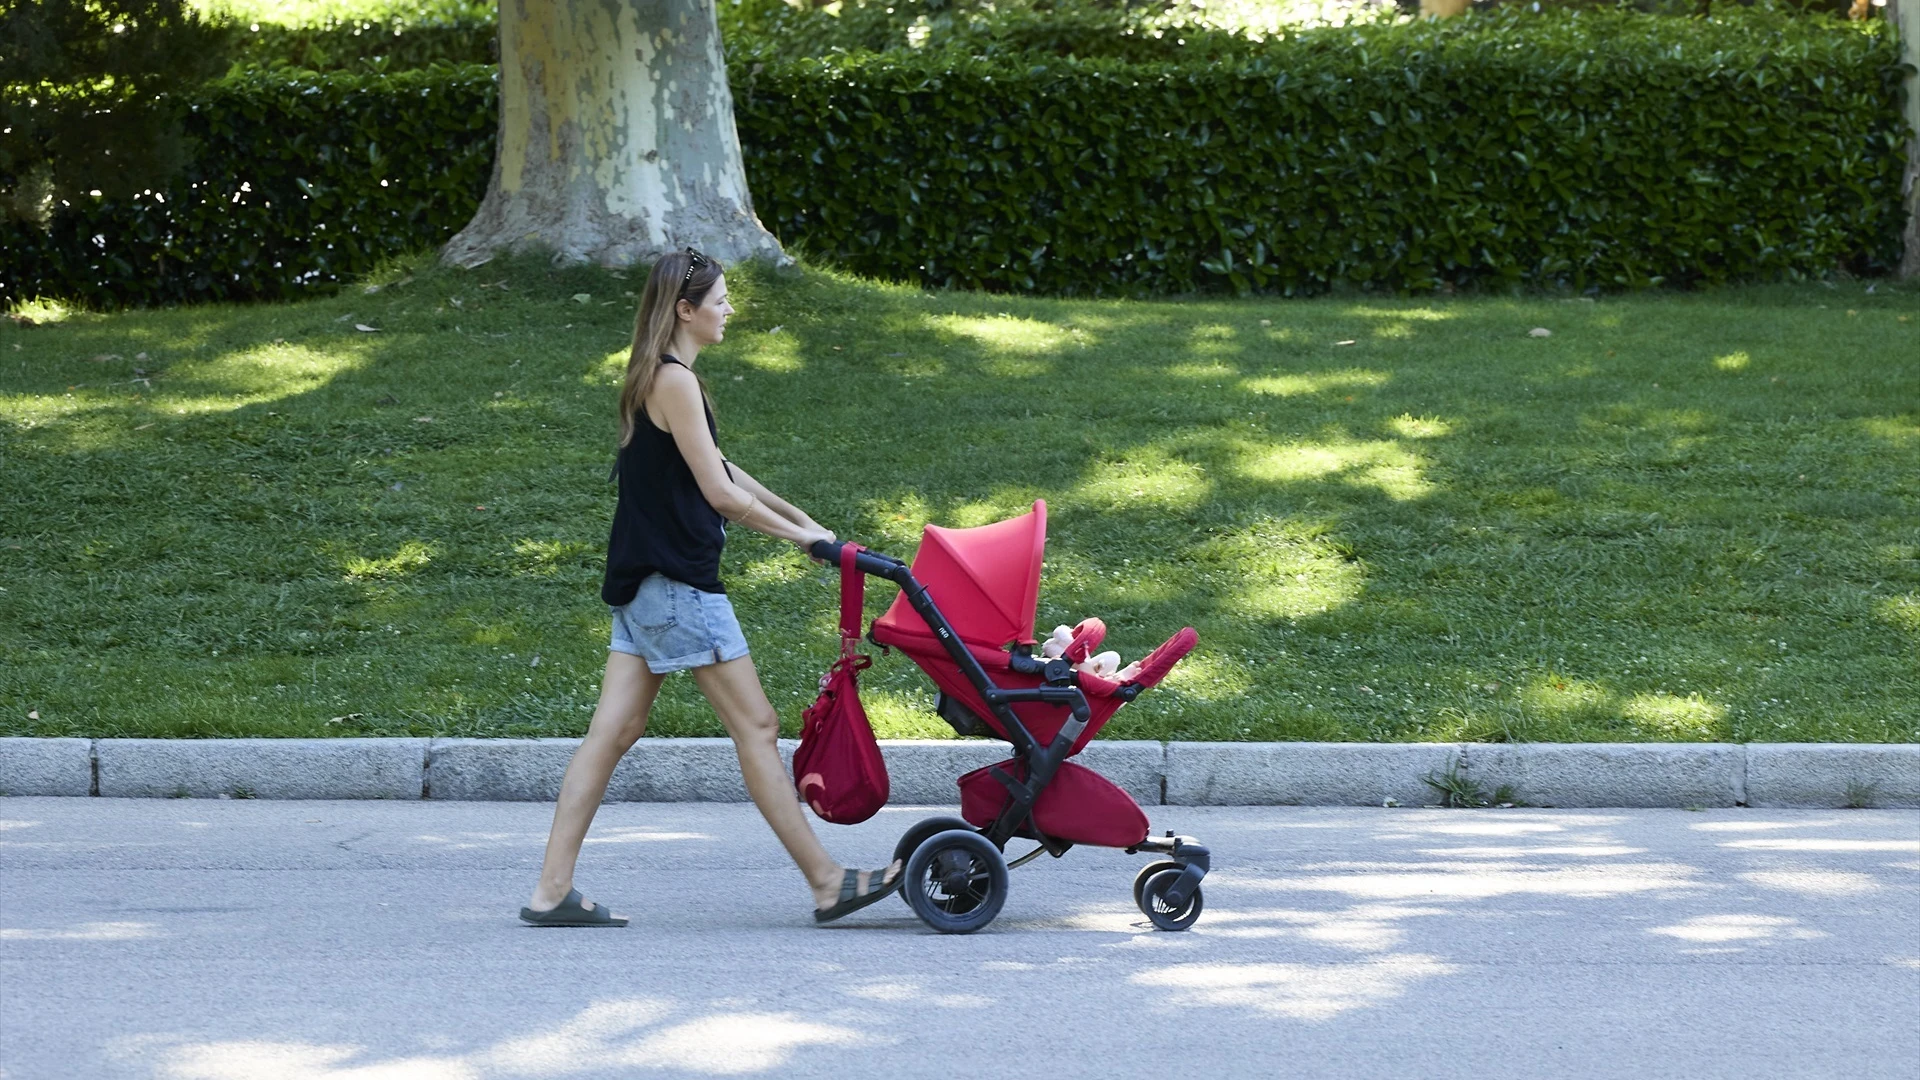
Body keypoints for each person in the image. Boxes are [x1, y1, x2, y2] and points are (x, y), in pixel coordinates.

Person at [519, 247, 901, 927]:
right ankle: (826, 881)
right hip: (677, 590)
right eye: (719, 300)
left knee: (612, 733)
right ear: (684, 310)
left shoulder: (654, 377)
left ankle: (551, 890)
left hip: (644, 589)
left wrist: (804, 521)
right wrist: (800, 540)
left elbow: (723, 466)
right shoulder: (674, 382)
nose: (729, 310)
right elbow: (721, 495)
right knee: (755, 726)